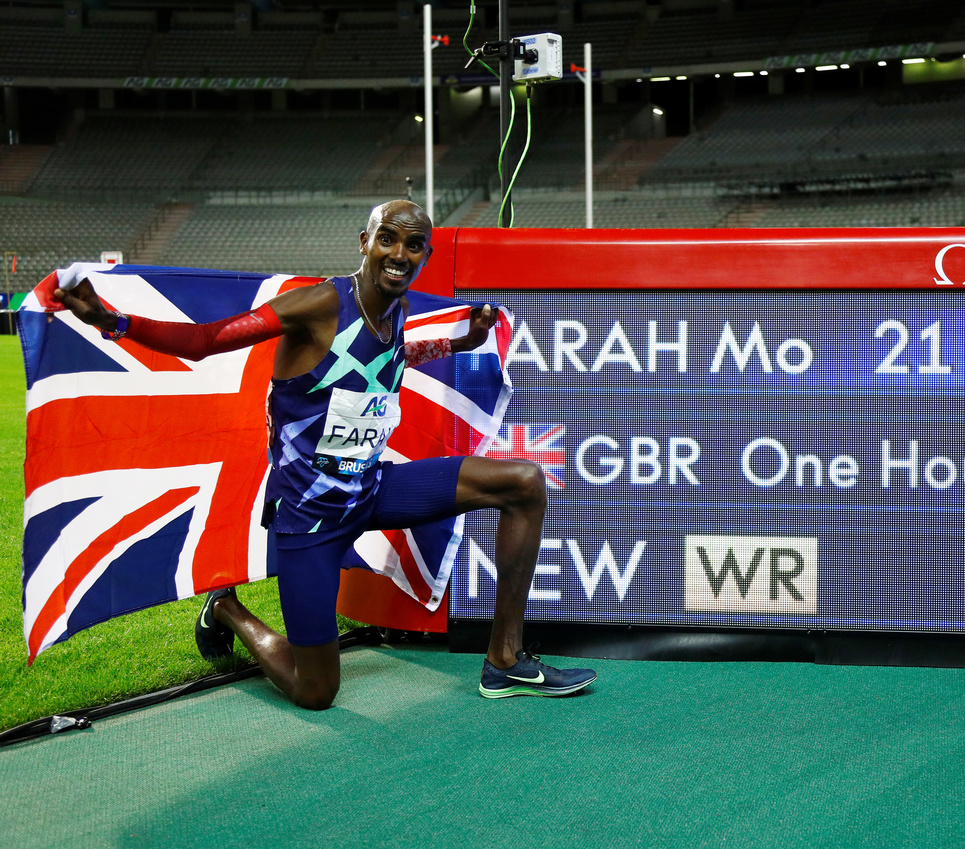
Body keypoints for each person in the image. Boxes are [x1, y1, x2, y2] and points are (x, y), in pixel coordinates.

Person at [54, 199, 596, 709]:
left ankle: (505, 660)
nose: (399, 254)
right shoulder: (318, 304)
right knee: (316, 691)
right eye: (388, 239)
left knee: (524, 482)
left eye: (413, 246)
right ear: (365, 242)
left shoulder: (396, 309)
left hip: (371, 490)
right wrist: (111, 321)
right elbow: (205, 341)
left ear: (425, 256)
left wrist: (458, 344)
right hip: (309, 519)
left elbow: (389, 357)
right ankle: (227, 607)